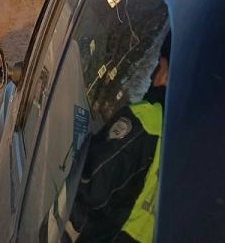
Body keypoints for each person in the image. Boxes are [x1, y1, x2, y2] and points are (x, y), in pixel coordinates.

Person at [64, 32, 170, 243]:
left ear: (167, 74)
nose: (153, 76)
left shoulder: (144, 122)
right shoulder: (201, 143)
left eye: (159, 66)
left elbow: (87, 194)